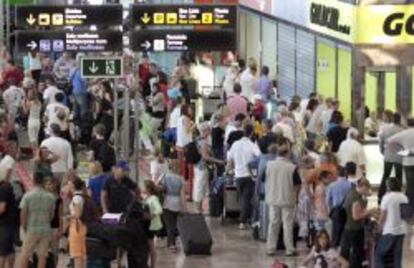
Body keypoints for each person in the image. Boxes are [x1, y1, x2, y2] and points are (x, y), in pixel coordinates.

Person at [265, 142, 301, 256]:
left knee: (273, 223)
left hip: (273, 198)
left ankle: (270, 248)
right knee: (287, 224)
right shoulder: (292, 167)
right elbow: (297, 185)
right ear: (287, 154)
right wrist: (296, 196)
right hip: (287, 199)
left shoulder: (269, 165)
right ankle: (289, 249)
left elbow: (262, 179)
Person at [19, 172, 55, 268]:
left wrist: (24, 226)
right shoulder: (50, 197)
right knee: (42, 256)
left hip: (31, 228)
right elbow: (52, 215)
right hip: (45, 229)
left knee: (25, 255)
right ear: (43, 181)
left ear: (34, 181)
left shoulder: (27, 196)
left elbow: (23, 213)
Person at [227, 124, 261, 229]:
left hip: (238, 176)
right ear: (251, 133)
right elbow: (259, 156)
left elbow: (230, 159)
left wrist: (229, 171)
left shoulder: (235, 144)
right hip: (249, 175)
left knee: (242, 198)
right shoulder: (252, 145)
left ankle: (245, 219)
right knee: (247, 199)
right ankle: (243, 221)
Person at [340, 178, 377, 268]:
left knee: (354, 252)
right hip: (354, 229)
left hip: (349, 228)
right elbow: (356, 216)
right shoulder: (355, 198)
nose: (368, 191)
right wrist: (370, 212)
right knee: (357, 253)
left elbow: (360, 209)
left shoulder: (353, 193)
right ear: (363, 187)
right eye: (367, 189)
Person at [375, 177, 408, 268]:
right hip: (401, 230)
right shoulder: (404, 197)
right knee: (397, 256)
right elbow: (405, 215)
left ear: (388, 186)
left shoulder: (387, 198)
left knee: (379, 255)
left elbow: (383, 216)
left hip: (389, 230)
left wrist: (379, 227)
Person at [193, 123, 225, 213]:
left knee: (199, 186)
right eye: (209, 130)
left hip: (197, 166)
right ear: (205, 131)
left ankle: (198, 207)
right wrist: (219, 161)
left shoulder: (197, 139)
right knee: (200, 187)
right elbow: (205, 157)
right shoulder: (203, 142)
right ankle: (197, 208)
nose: (210, 132)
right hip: (202, 167)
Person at [387, 117, 414, 210]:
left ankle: (410, 207)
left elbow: (389, 140)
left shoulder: (403, 133)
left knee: (410, 185)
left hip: (408, 162)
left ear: (407, 124)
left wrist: (401, 147)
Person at [378, 112, 404, 204]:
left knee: (385, 176)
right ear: (399, 120)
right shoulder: (402, 130)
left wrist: (382, 151)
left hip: (388, 156)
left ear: (392, 119)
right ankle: (398, 199)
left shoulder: (385, 129)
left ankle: (380, 196)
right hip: (399, 157)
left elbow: (380, 140)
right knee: (399, 177)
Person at [161, 159, 186, 251]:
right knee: (173, 224)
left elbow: (161, 189)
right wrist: (184, 208)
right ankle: (170, 242)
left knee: (169, 225)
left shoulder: (165, 177)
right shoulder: (181, 179)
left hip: (167, 202)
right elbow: (183, 195)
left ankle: (171, 244)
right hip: (177, 203)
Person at [325, 164, 353, 247]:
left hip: (336, 210)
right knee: (346, 230)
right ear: (345, 173)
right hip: (348, 210)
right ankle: (345, 247)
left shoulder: (332, 185)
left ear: (337, 174)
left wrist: (329, 210)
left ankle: (335, 248)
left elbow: (328, 200)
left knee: (336, 231)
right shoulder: (351, 185)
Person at [0, 152, 18, 268]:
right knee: (10, 250)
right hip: (11, 223)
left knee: (3, 252)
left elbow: (1, 208)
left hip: (4, 225)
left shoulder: (3, 189)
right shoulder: (9, 188)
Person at [67, 178, 87, 268]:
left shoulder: (76, 198)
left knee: (77, 254)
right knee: (81, 254)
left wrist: (67, 217)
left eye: (69, 184)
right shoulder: (83, 196)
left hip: (76, 227)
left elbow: (77, 214)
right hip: (82, 226)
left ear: (73, 186)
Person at [142, 180, 163, 268]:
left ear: (147, 189)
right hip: (146, 224)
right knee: (147, 246)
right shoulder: (146, 198)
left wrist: (152, 215)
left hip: (150, 226)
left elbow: (159, 209)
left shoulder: (153, 198)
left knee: (151, 246)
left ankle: (152, 265)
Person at [44, 177, 63, 265]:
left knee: (54, 251)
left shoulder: (58, 199)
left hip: (54, 227)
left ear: (54, 185)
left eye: (50, 184)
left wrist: (60, 229)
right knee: (43, 251)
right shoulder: (42, 198)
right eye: (47, 184)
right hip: (43, 227)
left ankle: (54, 265)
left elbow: (60, 215)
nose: (49, 186)